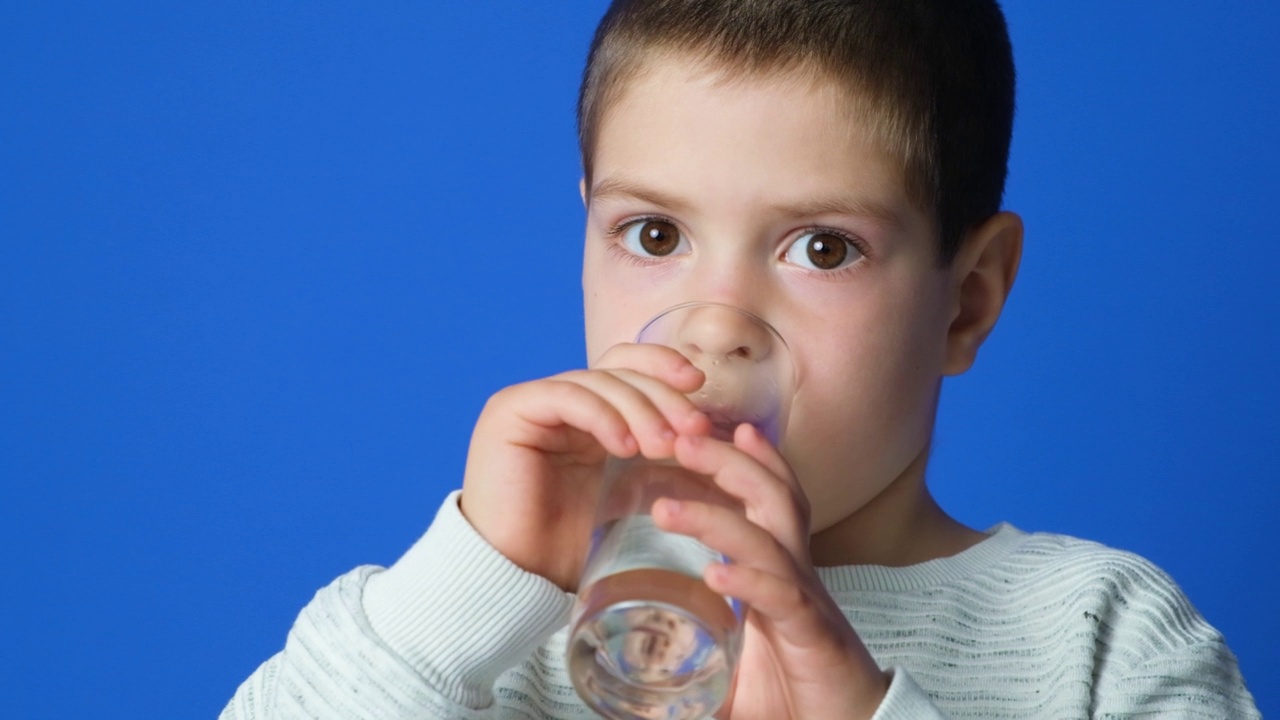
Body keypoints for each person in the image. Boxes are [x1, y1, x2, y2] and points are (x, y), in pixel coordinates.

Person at [221, 1, 1260, 717]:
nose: (716, 324)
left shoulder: (1095, 636)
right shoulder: (489, 641)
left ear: (966, 300)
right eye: (655, 236)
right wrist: (472, 584)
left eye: (821, 248)